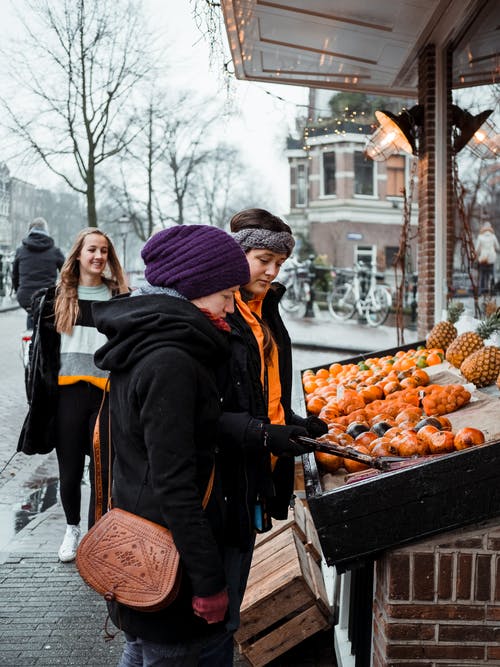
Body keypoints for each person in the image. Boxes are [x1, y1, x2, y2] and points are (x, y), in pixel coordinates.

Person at [92, 225, 252, 667]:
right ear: (195, 290)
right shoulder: (172, 360)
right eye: (226, 293)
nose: (231, 304)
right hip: (172, 566)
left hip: (145, 550)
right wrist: (208, 581)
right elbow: (175, 483)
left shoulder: (146, 339)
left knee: (140, 652)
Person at [212, 208, 328, 663]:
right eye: (264, 259)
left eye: (280, 262)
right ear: (237, 254)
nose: (272, 271)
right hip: (229, 475)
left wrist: (295, 424)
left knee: (229, 602)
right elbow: (217, 408)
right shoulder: (220, 312)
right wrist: (267, 434)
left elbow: (263, 388)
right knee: (217, 611)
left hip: (259, 464)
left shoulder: (267, 306)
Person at [17, 227, 128, 563]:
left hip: (105, 394)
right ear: (78, 254)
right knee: (68, 468)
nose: (98, 257)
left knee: (102, 468)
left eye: (104, 251)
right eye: (92, 250)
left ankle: (99, 532)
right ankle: (72, 529)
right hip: (67, 396)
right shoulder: (55, 297)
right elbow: (40, 359)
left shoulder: (120, 297)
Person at [12, 217, 65, 328]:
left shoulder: (20, 250)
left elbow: (14, 276)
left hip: (25, 297)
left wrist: (19, 291)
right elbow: (67, 272)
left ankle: (29, 339)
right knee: (47, 319)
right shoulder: (55, 251)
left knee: (32, 313)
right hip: (47, 297)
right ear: (46, 231)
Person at [475, 221, 499, 295]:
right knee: (491, 274)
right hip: (492, 258)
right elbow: (498, 247)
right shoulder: (493, 236)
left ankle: (481, 290)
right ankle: (492, 290)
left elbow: (476, 249)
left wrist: (477, 255)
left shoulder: (480, 237)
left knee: (482, 274)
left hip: (483, 258)